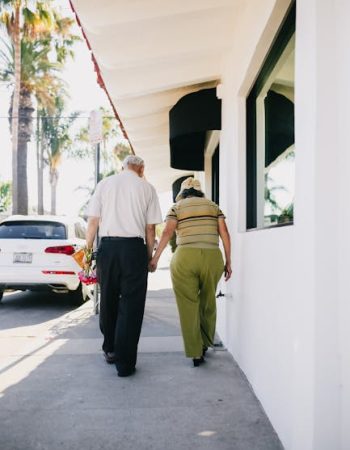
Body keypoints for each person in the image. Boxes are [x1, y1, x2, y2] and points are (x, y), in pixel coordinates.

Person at [85, 155, 162, 377]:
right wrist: (148, 257)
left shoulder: (105, 184)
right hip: (134, 250)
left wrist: (89, 253)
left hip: (108, 249)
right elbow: (150, 229)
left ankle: (110, 349)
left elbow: (92, 222)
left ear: (122, 167)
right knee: (132, 305)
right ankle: (125, 364)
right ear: (141, 168)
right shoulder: (147, 188)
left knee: (108, 299)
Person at [149, 177, 232, 367]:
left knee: (188, 305)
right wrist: (229, 261)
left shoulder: (176, 207)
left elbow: (167, 232)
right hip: (212, 256)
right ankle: (205, 342)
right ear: (199, 192)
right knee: (208, 300)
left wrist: (155, 259)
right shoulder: (213, 206)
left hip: (185, 257)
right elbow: (224, 233)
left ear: (183, 193)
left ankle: (195, 353)